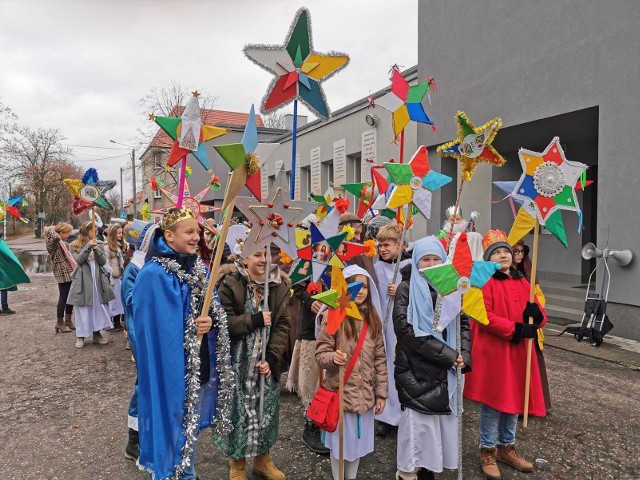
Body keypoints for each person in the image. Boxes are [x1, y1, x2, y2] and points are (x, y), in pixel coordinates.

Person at [133, 207, 233, 479]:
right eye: (189, 231)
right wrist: (188, 325)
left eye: (198, 231)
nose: (196, 237)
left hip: (197, 362)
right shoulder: (152, 275)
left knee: (188, 425)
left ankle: (186, 469)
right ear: (169, 235)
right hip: (170, 368)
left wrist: (208, 320)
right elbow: (150, 329)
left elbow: (210, 309)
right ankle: (171, 473)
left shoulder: (199, 267)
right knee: (172, 422)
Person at [464, 230, 547, 480]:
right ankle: (487, 450)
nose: (503, 255)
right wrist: (516, 329)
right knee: (493, 402)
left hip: (519, 351)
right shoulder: (484, 282)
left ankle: (507, 447)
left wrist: (538, 315)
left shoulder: (523, 281)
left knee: (514, 400)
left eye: (506, 252)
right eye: (497, 252)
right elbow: (484, 316)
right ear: (489, 257)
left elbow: (539, 313)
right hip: (495, 352)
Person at [393, 236, 472, 480]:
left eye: (435, 259)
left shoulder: (451, 287)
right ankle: (409, 472)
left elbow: (463, 324)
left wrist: (464, 356)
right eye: (424, 259)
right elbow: (406, 331)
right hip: (416, 371)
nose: (429, 263)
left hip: (447, 372)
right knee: (419, 429)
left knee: (439, 428)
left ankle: (430, 470)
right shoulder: (406, 288)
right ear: (416, 261)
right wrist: (450, 356)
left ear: (443, 261)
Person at [214, 247, 291, 480]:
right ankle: (236, 464)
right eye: (257, 254)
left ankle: (262, 459)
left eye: (268, 255)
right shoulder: (230, 284)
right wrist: (254, 320)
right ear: (244, 257)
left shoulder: (280, 285)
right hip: (237, 361)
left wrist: (272, 357)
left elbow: (282, 325)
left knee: (265, 409)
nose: (264, 260)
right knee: (237, 412)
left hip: (264, 361)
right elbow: (223, 323)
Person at [316, 264, 388, 480]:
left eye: (364, 286)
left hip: (364, 395)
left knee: (356, 445)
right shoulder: (334, 316)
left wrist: (381, 393)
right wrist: (333, 358)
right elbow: (320, 354)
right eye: (355, 285)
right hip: (341, 396)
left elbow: (380, 359)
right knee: (339, 446)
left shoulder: (373, 320)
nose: (361, 291)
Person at [121, 220, 158, 462]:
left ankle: (150, 435)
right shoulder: (134, 270)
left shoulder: (150, 265)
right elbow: (134, 308)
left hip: (155, 336)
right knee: (142, 385)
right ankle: (133, 440)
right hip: (143, 337)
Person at [372, 224, 411, 437]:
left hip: (402, 327)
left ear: (399, 244)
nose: (382, 250)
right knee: (384, 368)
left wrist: (403, 289)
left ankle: (404, 414)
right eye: (380, 246)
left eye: (387, 245)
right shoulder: (377, 267)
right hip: (384, 328)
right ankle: (386, 415)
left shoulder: (409, 265)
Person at [512, 239, 552, 413]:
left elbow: (539, 297)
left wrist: (535, 310)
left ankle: (535, 404)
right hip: (514, 328)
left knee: (534, 366)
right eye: (516, 251)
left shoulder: (529, 272)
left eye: (522, 252)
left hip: (530, 327)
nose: (520, 255)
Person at [67, 222, 115, 348]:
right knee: (83, 309)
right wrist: (88, 247)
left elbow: (103, 261)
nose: (94, 232)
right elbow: (78, 261)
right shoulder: (74, 246)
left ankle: (97, 333)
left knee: (97, 307)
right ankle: (81, 336)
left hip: (97, 280)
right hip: (83, 280)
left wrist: (97, 249)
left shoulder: (99, 244)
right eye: (91, 230)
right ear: (85, 231)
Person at [45, 222, 77, 332]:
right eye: (67, 233)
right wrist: (50, 228)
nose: (68, 235)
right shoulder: (52, 242)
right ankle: (59, 322)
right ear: (61, 233)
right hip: (61, 272)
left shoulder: (62, 243)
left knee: (70, 297)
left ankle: (68, 320)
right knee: (63, 297)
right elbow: (54, 235)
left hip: (69, 272)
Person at [0, 237, 30, 315]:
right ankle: (5, 308)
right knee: (4, 287)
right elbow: (9, 255)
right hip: (1, 268)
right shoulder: (1, 243)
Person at [106, 224, 126, 331]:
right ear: (113, 234)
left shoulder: (119, 246)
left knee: (118, 301)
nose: (121, 235)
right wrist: (110, 280)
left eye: (121, 233)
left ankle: (117, 322)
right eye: (118, 233)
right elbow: (106, 265)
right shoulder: (107, 247)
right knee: (112, 301)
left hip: (119, 277)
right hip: (112, 278)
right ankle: (110, 323)